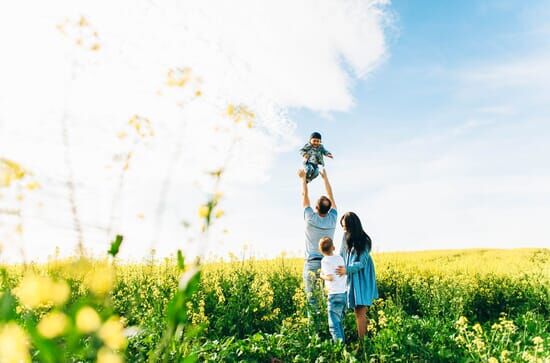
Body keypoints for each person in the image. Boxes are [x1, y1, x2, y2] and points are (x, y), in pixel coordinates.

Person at [298, 168, 337, 327]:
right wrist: (325, 178)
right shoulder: (333, 219)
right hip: (328, 264)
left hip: (312, 264)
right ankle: (329, 328)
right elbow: (331, 196)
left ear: (316, 208)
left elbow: (304, 196)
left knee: (311, 299)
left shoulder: (310, 218)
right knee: (327, 299)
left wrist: (303, 178)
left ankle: (314, 333)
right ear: (328, 209)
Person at [336, 212, 378, 342]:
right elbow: (341, 255)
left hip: (362, 276)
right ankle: (365, 339)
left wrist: (346, 270)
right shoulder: (345, 237)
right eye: (343, 227)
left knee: (360, 311)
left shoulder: (364, 240)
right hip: (351, 276)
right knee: (358, 311)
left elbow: (362, 263)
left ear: (353, 226)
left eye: (346, 227)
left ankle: (362, 344)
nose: (344, 229)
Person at [319, 237, 347, 342]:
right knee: (339, 322)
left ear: (320, 251)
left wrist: (322, 276)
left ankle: (340, 350)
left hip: (334, 296)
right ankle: (343, 346)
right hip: (343, 294)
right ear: (333, 247)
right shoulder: (339, 258)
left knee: (333, 326)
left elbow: (330, 277)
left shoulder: (325, 261)